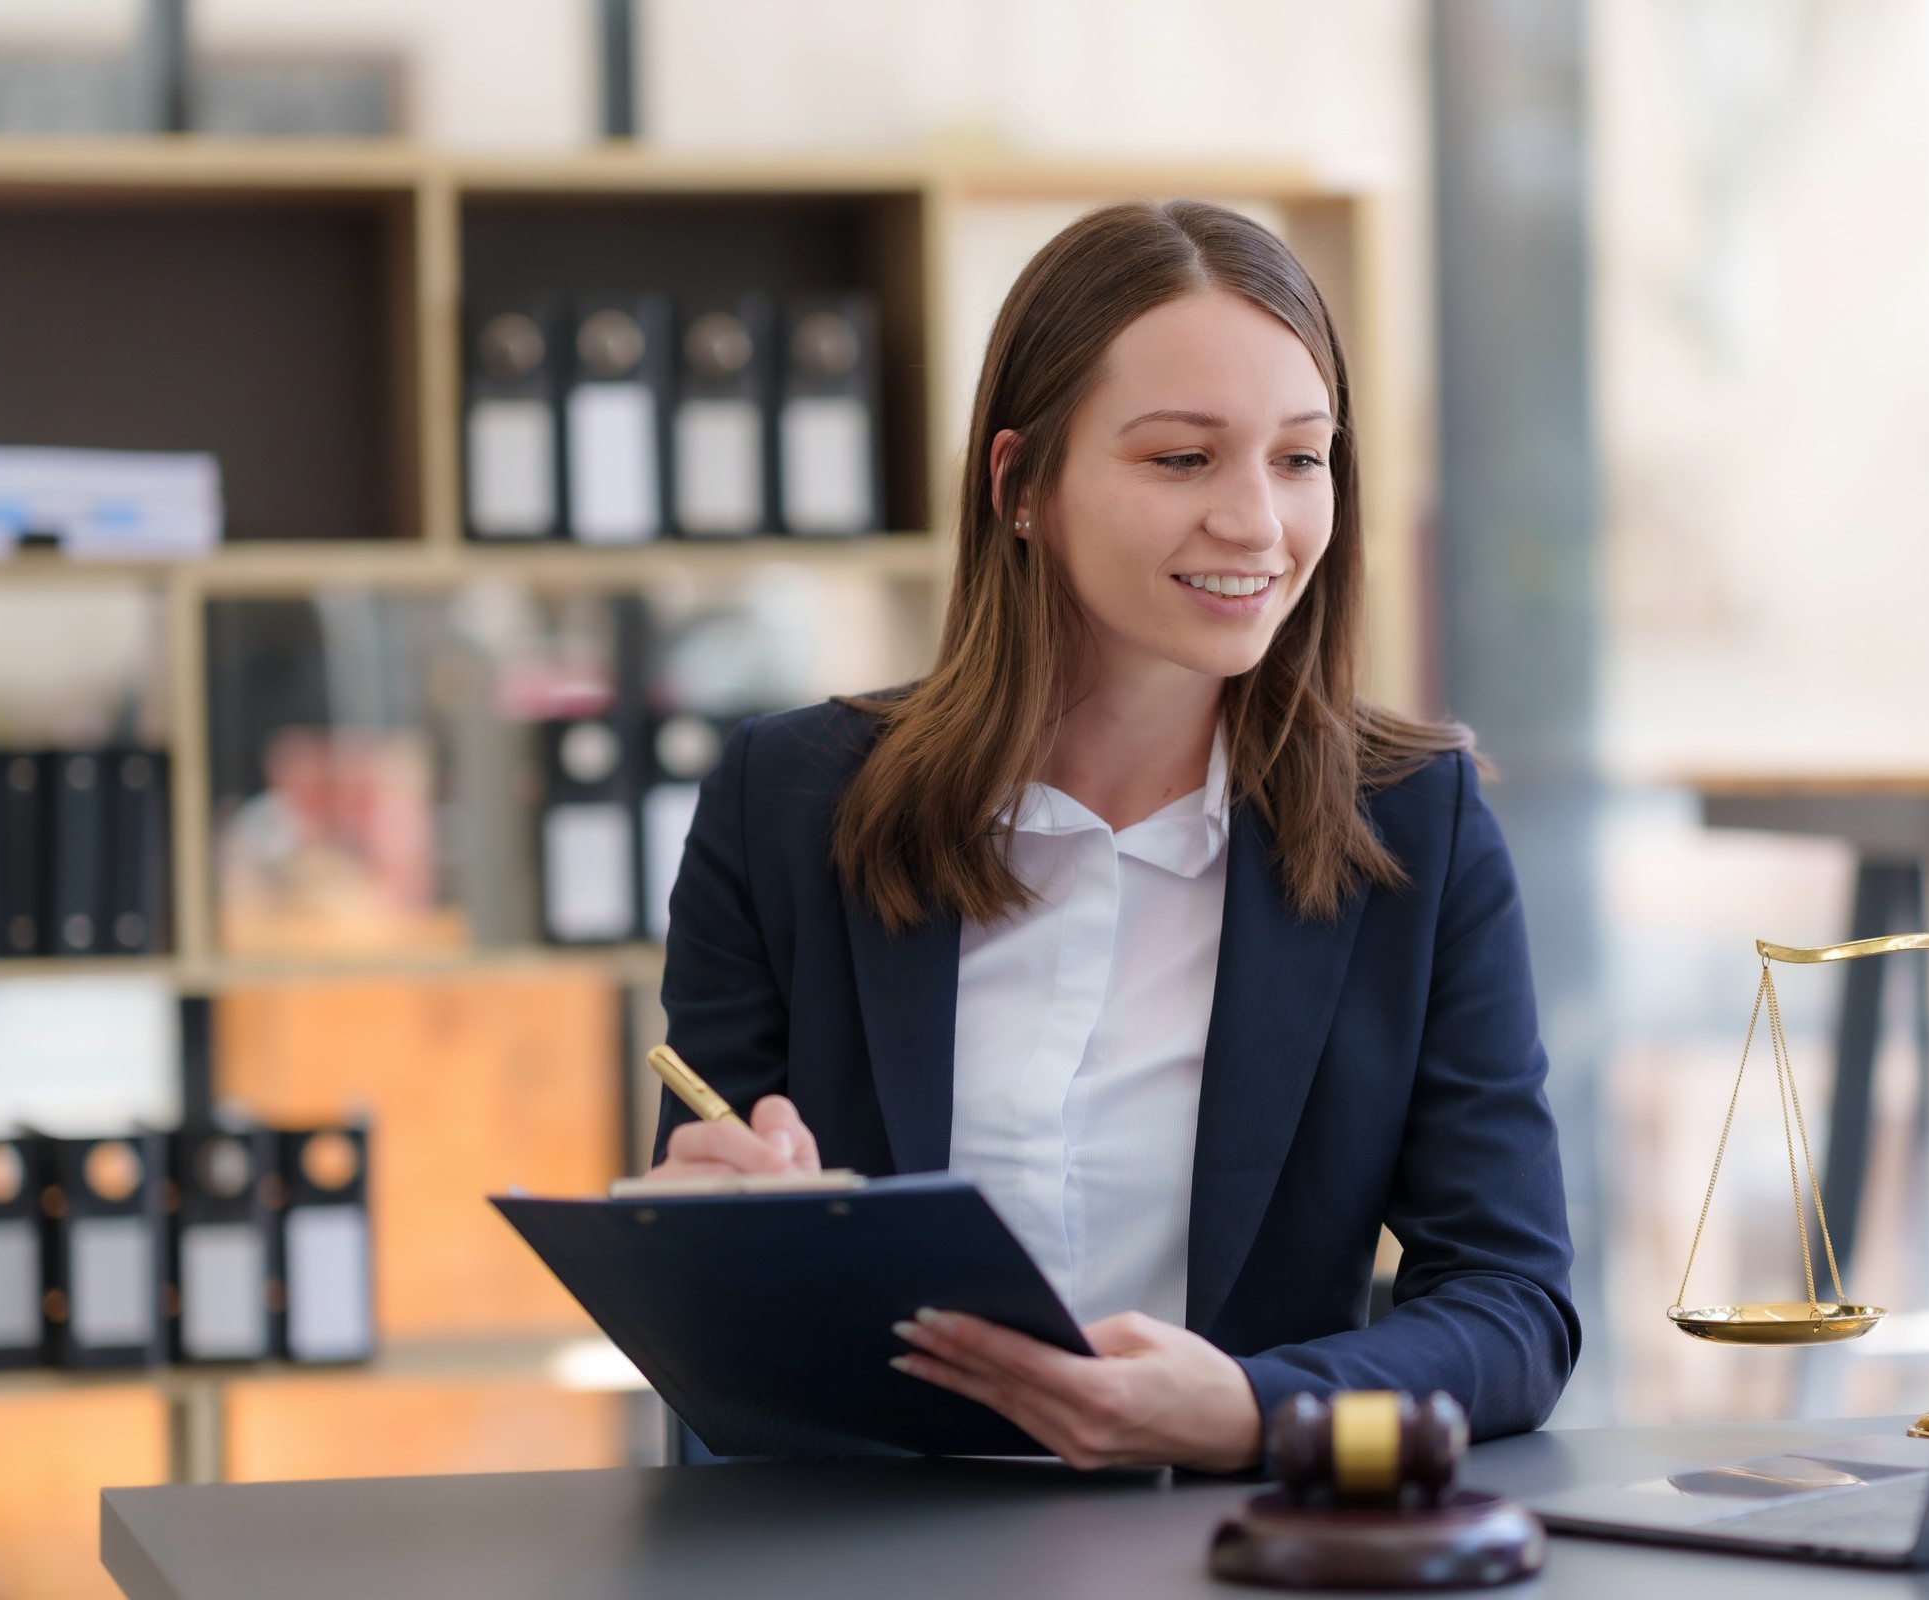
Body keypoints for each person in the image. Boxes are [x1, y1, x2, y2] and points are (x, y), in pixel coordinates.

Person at [648, 200, 1577, 1473]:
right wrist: (699, 1239)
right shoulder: (786, 803)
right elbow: (713, 1308)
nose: (1257, 522)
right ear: (1020, 483)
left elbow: (1514, 1309)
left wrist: (1258, 1412)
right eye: (1182, 459)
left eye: (1300, 459)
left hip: (1230, 1545)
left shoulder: (1418, 827)